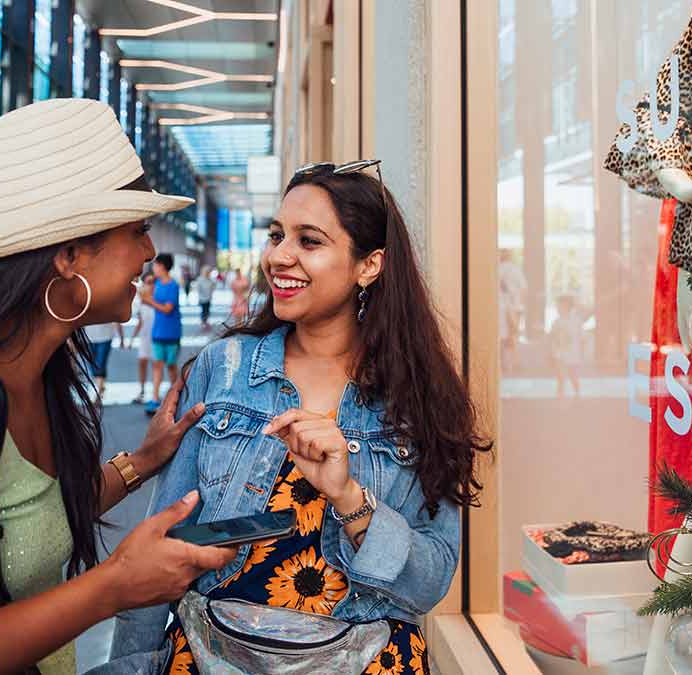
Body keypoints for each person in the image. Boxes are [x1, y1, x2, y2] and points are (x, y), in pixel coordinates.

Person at [0, 98, 237, 674]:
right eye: (137, 230)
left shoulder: (33, 374)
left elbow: (29, 517)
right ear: (67, 256)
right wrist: (112, 587)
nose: (147, 252)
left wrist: (145, 459)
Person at [104, 161, 491, 674]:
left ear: (369, 265)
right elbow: (167, 543)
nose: (278, 256)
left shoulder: (417, 396)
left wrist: (350, 499)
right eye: (276, 235)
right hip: (211, 657)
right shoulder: (225, 368)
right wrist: (133, 664)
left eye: (309, 241)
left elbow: (429, 584)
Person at [141, 253, 182, 415]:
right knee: (157, 365)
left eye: (156, 265)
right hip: (158, 332)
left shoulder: (173, 286)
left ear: (163, 266)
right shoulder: (155, 283)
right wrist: (148, 285)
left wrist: (149, 300)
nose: (153, 268)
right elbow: (144, 295)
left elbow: (167, 309)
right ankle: (155, 398)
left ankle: (176, 398)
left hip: (172, 332)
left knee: (171, 366)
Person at [549, 293, 586, 398]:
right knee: (560, 377)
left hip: (573, 353)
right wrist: (551, 351)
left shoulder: (576, 321)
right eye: (557, 307)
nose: (558, 309)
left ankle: (577, 393)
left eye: (560, 306)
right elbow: (552, 337)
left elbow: (582, 338)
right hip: (559, 353)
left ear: (568, 307)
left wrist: (582, 353)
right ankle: (560, 395)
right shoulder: (556, 322)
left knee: (573, 376)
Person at [498, 249, 526, 372]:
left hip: (501, 307)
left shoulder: (497, 269)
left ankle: (505, 363)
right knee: (513, 335)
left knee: (502, 335)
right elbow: (524, 288)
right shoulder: (515, 270)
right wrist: (520, 303)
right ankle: (515, 362)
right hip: (515, 307)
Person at [130, 271, 156, 404]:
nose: (150, 285)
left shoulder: (158, 301)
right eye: (148, 282)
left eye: (153, 282)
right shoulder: (141, 303)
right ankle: (142, 390)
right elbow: (140, 322)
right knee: (142, 363)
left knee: (156, 365)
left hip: (157, 338)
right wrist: (131, 339)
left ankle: (155, 393)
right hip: (144, 338)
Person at [83, 322, 123, 399]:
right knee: (92, 365)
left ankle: (99, 392)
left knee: (100, 364)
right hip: (88, 338)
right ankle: (101, 387)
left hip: (105, 337)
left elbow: (116, 317)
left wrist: (121, 336)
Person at [194, 265, 216, 331]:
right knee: (204, 311)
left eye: (208, 272)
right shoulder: (200, 279)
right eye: (207, 271)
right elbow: (198, 289)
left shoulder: (210, 279)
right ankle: (203, 323)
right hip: (202, 298)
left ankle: (205, 322)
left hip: (208, 298)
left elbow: (213, 286)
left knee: (207, 311)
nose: (207, 273)